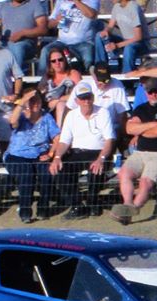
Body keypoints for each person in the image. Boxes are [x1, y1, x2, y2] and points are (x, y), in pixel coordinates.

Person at [113, 77, 157, 224]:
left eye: (156, 91)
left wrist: (142, 129)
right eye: (150, 92)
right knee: (124, 174)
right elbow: (130, 129)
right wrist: (153, 124)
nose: (153, 94)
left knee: (146, 183)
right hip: (140, 152)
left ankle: (132, 210)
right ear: (146, 93)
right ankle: (128, 205)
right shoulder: (141, 108)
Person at [48, 82, 116, 219]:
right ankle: (77, 205)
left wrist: (100, 159)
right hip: (77, 152)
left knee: (96, 169)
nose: (86, 101)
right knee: (60, 170)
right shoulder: (71, 116)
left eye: (88, 97)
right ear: (76, 100)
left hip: (98, 152)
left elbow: (109, 140)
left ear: (93, 97)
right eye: (83, 98)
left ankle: (92, 202)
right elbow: (64, 141)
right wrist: (57, 157)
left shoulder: (103, 113)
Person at [4, 89, 60, 223]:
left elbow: (57, 138)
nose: (35, 104)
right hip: (17, 154)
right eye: (32, 101)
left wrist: (51, 153)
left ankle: (43, 209)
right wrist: (23, 101)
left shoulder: (47, 118)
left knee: (46, 174)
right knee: (26, 175)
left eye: (37, 100)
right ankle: (25, 211)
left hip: (41, 153)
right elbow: (13, 122)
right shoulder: (21, 116)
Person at [38, 0, 100, 74]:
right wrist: (56, 21)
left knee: (88, 60)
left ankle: (88, 81)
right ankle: (42, 81)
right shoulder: (60, 1)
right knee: (46, 51)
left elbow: (92, 15)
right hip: (62, 42)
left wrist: (77, 2)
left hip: (84, 42)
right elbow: (49, 24)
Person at [96, 0, 150, 72]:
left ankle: (127, 77)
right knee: (99, 36)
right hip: (126, 40)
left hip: (141, 43)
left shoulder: (133, 7)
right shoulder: (116, 7)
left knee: (129, 47)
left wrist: (117, 45)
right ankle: (101, 69)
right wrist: (106, 31)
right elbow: (110, 26)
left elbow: (138, 37)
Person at [0, 0, 48, 69]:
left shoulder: (34, 4)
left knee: (17, 47)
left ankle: (15, 77)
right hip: (5, 42)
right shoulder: (2, 6)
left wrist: (22, 33)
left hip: (26, 44)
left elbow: (43, 29)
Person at [38, 46, 82, 124]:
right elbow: (39, 96)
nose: (57, 63)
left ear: (65, 60)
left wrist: (59, 100)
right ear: (50, 64)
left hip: (69, 109)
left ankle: (61, 134)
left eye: (60, 60)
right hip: (48, 110)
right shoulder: (46, 77)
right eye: (53, 61)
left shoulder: (73, 74)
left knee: (60, 105)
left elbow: (80, 94)